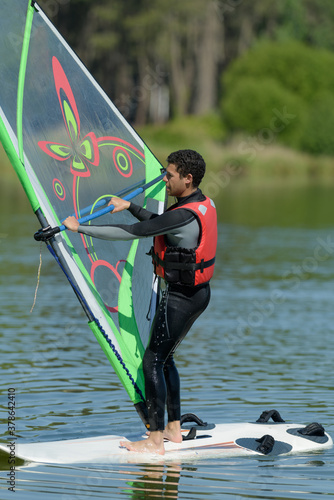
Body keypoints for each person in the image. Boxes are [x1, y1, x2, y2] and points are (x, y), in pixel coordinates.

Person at [63, 149, 217, 455]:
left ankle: (155, 441)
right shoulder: (197, 204)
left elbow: (134, 232)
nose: (165, 179)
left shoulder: (185, 214)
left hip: (181, 298)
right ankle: (173, 429)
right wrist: (129, 205)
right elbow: (159, 223)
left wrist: (80, 228)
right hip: (194, 295)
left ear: (188, 178)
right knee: (166, 357)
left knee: (153, 361)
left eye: (169, 174)